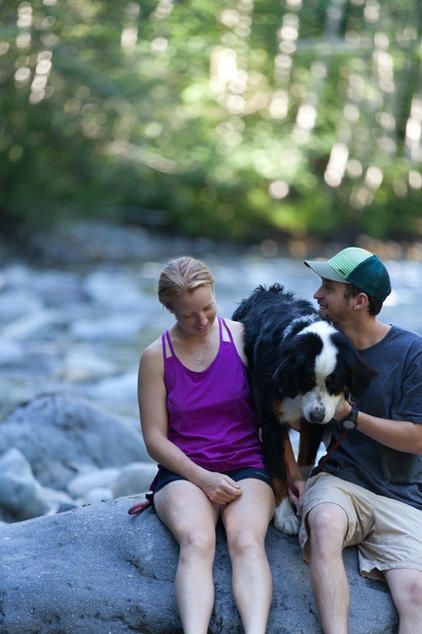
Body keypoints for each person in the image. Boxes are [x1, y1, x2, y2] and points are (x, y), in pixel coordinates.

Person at [138, 255, 297, 634]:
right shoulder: (155, 358)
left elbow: (273, 419)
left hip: (247, 464)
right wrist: (204, 479)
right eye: (188, 314)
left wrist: (292, 474)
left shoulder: (244, 339)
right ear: (169, 309)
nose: (202, 320)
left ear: (215, 294)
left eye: (208, 307)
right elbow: (154, 440)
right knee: (197, 540)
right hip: (183, 472)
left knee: (246, 540)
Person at [295, 246, 422, 634]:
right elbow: (279, 412)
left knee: (416, 596)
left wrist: (352, 417)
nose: (317, 295)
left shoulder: (412, 352)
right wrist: (295, 473)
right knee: (327, 524)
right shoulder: (317, 344)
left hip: (401, 494)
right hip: (339, 481)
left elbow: (417, 439)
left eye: (328, 288)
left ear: (359, 301)